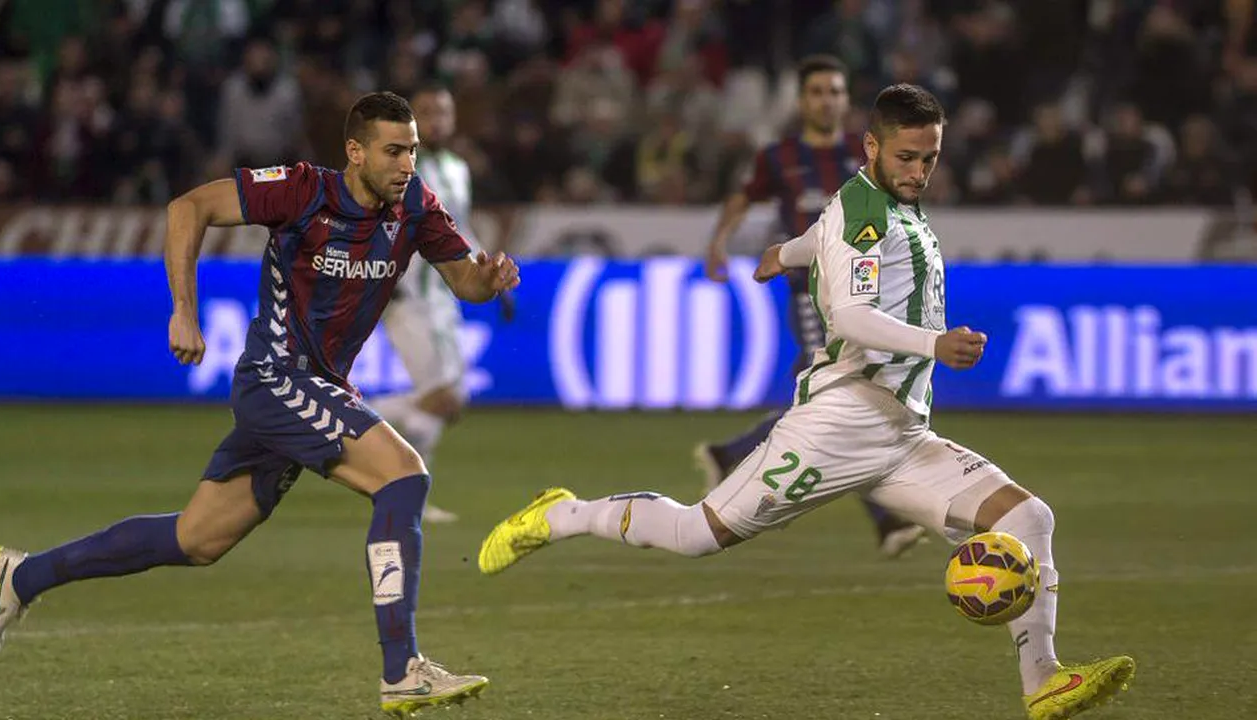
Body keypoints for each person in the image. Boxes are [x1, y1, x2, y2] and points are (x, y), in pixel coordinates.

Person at [478, 84, 1135, 720]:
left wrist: (785, 253)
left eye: (929, 157)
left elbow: (824, 236)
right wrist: (934, 343)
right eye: (906, 157)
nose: (919, 170)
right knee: (696, 534)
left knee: (1027, 519)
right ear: (871, 148)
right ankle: (563, 515)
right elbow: (849, 317)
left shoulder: (872, 204)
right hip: (840, 422)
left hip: (902, 434)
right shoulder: (867, 210)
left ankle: (1043, 682)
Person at [0, 91, 518, 717]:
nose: (406, 164)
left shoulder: (417, 205)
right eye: (393, 151)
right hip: (275, 377)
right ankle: (403, 670)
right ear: (355, 151)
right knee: (402, 479)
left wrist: (491, 278)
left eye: (413, 151)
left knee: (198, 538)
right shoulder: (299, 189)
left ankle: (21, 577)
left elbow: (465, 283)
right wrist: (184, 309)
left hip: (319, 386)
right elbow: (189, 208)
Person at [700, 54, 924, 557]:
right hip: (811, 295)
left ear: (847, 100)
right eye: (818, 91)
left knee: (834, 401)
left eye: (836, 91)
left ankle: (732, 454)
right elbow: (742, 199)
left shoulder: (862, 153)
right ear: (802, 101)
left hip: (864, 293)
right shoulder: (779, 157)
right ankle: (887, 518)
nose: (827, 100)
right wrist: (718, 243)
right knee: (849, 397)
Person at [375, 83, 498, 525]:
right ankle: (411, 498)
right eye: (426, 112)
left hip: (445, 299)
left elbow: (458, 229)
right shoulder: (393, 169)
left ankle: (337, 415)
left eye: (443, 112)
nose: (436, 121)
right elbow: (374, 227)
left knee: (452, 400)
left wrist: (489, 274)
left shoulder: (457, 168)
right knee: (440, 398)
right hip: (407, 296)